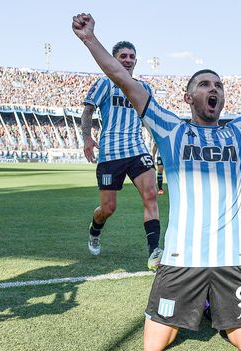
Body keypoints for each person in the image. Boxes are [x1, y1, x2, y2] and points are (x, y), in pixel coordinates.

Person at [72, 13, 241, 351]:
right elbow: (123, 79)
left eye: (218, 86)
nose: (214, 89)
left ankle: (213, 303)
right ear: (188, 97)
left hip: (232, 258)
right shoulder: (170, 129)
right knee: (153, 346)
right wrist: (90, 38)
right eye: (204, 85)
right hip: (182, 259)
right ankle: (203, 300)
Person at [81, 40, 163, 271]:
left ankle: (154, 252)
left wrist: (159, 141)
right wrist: (87, 138)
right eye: (122, 56)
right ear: (114, 60)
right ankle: (95, 230)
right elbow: (88, 110)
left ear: (136, 61)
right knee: (108, 209)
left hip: (137, 150)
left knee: (150, 195)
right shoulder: (104, 84)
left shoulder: (144, 88)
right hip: (110, 154)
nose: (127, 60)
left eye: (131, 56)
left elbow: (150, 118)